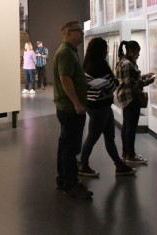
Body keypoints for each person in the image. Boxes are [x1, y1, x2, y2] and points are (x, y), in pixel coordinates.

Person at [78, 37, 136, 177]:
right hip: (100, 107)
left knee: (107, 137)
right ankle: (83, 164)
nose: (107, 51)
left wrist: (111, 82)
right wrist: (114, 82)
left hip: (96, 106)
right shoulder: (100, 65)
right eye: (106, 49)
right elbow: (110, 86)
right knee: (94, 136)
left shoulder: (87, 64)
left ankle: (118, 164)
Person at [53, 21, 92, 199]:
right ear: (68, 33)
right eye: (78, 31)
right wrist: (77, 103)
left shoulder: (70, 52)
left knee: (65, 145)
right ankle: (70, 184)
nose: (82, 33)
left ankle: (63, 179)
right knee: (70, 148)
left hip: (68, 108)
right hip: (70, 109)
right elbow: (65, 79)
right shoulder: (66, 53)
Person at [115, 40, 154, 164]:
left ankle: (126, 153)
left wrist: (144, 76)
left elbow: (131, 79)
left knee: (127, 126)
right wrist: (147, 82)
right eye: (138, 51)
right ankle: (130, 155)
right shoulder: (127, 64)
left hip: (126, 98)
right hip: (131, 98)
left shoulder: (122, 61)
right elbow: (130, 84)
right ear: (131, 51)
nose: (139, 54)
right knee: (130, 128)